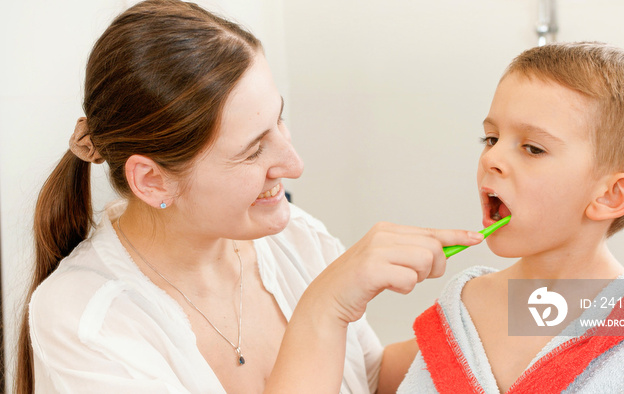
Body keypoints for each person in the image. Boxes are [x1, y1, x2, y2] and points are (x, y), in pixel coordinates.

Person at [16, 1, 486, 393]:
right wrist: (322, 309)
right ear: (153, 181)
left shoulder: (293, 237)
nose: (294, 163)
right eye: (253, 150)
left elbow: (370, 376)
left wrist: (513, 303)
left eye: (279, 120)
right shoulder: (84, 320)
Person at [397, 42, 624, 393]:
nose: (491, 158)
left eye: (533, 148)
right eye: (491, 137)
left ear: (610, 195)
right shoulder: (461, 308)